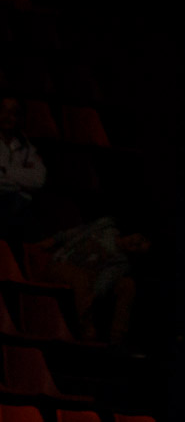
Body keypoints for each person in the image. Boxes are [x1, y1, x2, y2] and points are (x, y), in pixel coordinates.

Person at [37, 216, 150, 344]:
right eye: (140, 240)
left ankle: (116, 339)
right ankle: (87, 330)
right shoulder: (107, 228)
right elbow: (77, 232)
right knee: (80, 277)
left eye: (139, 247)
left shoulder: (121, 261)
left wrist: (96, 292)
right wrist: (53, 240)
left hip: (88, 276)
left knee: (127, 285)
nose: (135, 243)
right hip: (63, 264)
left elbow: (107, 276)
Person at [0, 96, 47, 234]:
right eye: (4, 111)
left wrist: (6, 171)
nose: (8, 117)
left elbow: (39, 180)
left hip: (18, 209)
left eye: (13, 112)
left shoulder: (26, 146)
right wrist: (22, 184)